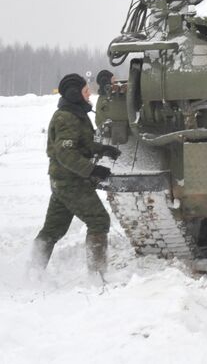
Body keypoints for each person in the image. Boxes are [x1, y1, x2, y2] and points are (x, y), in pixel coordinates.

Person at [32, 73, 121, 273]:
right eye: (86, 90)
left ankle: (32, 271)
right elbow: (65, 153)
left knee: (53, 230)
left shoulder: (75, 114)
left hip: (63, 181)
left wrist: (102, 149)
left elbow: (83, 143)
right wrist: (93, 170)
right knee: (98, 220)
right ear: (74, 93)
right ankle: (97, 275)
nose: (90, 94)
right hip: (71, 182)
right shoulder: (66, 117)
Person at [93, 69, 115, 134]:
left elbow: (97, 121)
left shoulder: (101, 99)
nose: (115, 82)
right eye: (113, 79)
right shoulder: (110, 99)